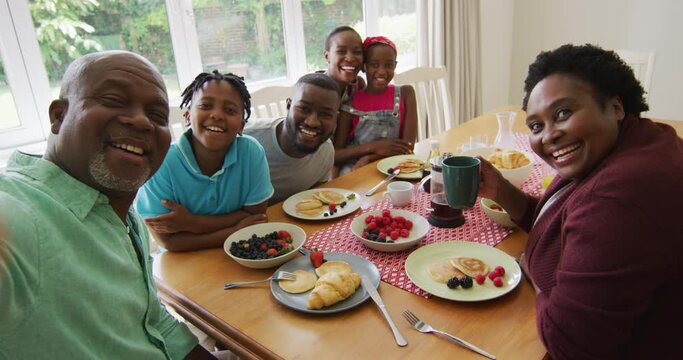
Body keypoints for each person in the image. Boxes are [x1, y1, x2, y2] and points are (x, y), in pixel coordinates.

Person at [0, 51, 214, 359]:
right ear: (59, 116)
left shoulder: (126, 217)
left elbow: (154, 324)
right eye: (113, 100)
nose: (141, 121)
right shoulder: (21, 215)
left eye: (156, 116)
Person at [477, 44, 683, 359]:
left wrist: (533, 271)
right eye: (536, 126)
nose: (548, 136)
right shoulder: (639, 141)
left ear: (615, 106)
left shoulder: (621, 194)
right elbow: (561, 221)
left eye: (563, 113)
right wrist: (501, 190)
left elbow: (568, 342)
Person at [136, 71, 273, 252]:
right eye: (206, 105)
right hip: (184, 264)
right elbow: (169, 242)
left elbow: (256, 216)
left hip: (244, 251)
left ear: (241, 125)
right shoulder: (161, 162)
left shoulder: (251, 152)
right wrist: (235, 229)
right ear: (187, 117)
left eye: (230, 110)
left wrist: (192, 223)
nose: (216, 115)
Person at [244, 73, 341, 204]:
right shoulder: (246, 139)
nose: (312, 122)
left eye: (325, 114)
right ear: (289, 105)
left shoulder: (326, 151)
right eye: (304, 109)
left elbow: (316, 200)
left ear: (336, 119)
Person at [333, 36, 416, 174]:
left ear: (395, 66)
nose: (382, 71)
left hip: (394, 165)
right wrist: (373, 147)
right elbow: (336, 155)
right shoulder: (349, 104)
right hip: (356, 169)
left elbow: (407, 147)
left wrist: (370, 157)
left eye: (389, 65)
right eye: (374, 65)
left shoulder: (406, 93)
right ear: (364, 67)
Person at [322, 25, 365, 102]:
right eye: (341, 51)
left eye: (357, 52)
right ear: (327, 56)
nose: (350, 59)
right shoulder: (312, 89)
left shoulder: (359, 85)